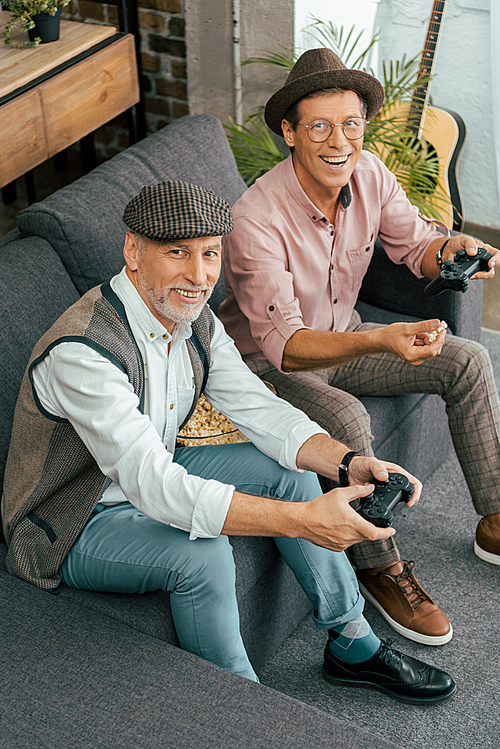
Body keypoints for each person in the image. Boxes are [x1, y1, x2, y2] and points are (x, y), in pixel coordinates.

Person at [1, 180, 455, 704]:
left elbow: (259, 408)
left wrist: (347, 461)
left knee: (289, 474)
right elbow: (155, 489)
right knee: (205, 556)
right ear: (132, 250)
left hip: (158, 463)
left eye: (211, 254)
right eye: (177, 253)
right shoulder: (83, 353)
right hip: (73, 518)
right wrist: (303, 521)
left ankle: (353, 645)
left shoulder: (193, 317)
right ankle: (246, 710)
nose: (199, 276)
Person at [219, 48, 500, 648]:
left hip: (343, 341)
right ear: (290, 133)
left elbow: (415, 244)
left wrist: (449, 250)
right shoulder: (254, 218)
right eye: (319, 126)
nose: (338, 141)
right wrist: (379, 339)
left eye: (351, 124)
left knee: (469, 361)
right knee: (345, 416)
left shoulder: (368, 173)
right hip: (265, 368)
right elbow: (289, 348)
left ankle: (496, 515)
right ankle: (382, 568)